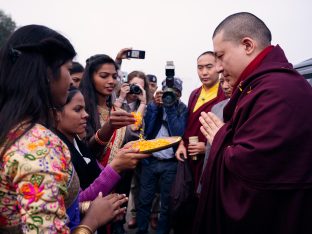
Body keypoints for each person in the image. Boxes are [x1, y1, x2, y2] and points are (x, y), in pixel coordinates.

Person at [0, 24, 127, 234]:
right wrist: (91, 222)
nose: (71, 80)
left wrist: (86, 207)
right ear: (48, 73)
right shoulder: (38, 145)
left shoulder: (12, 127)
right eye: (68, 69)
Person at [193, 12, 312, 234]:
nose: (218, 68)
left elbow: (257, 166)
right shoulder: (258, 86)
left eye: (220, 56)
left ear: (247, 45)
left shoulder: (278, 90)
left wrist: (220, 138)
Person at [174, 51, 225, 233]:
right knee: (187, 201)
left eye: (208, 67)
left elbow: (229, 128)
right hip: (190, 156)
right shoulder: (194, 94)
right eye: (200, 67)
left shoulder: (225, 92)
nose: (204, 72)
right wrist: (181, 143)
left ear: (219, 67)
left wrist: (208, 147)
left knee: (207, 201)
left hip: (211, 158)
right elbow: (188, 125)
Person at [137, 77, 188, 234]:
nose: (170, 95)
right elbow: (147, 130)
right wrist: (154, 107)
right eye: (167, 92)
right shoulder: (155, 106)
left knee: (166, 204)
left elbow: (178, 133)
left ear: (179, 94)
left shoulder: (182, 108)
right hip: (150, 160)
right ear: (161, 91)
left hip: (170, 162)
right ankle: (141, 231)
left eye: (175, 92)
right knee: (144, 201)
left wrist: (170, 108)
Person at [197, 73, 233, 194]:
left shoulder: (249, 105)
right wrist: (203, 180)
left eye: (229, 80)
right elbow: (209, 148)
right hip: (214, 169)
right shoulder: (216, 108)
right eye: (222, 82)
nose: (226, 86)